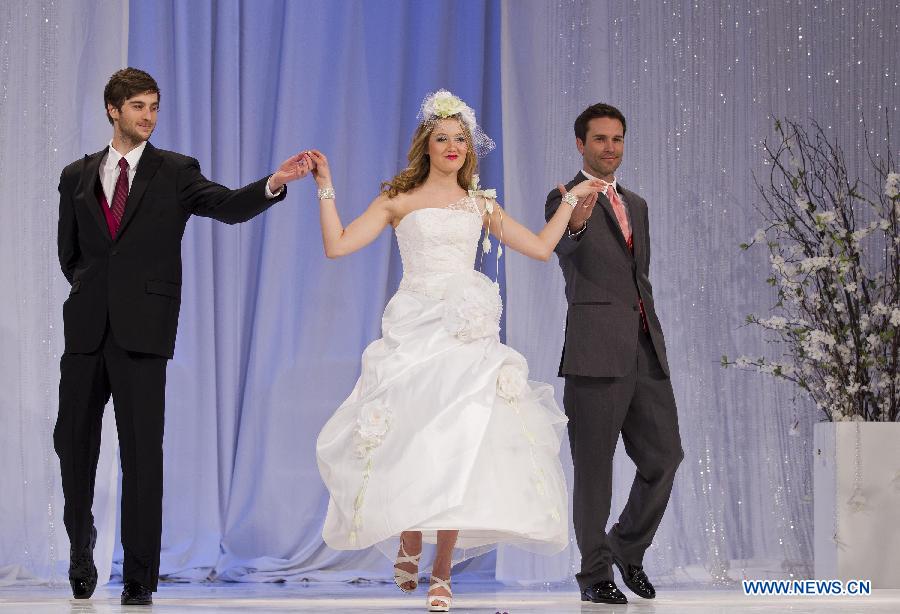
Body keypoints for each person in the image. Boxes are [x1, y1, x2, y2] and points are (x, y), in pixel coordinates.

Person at [312, 90, 603, 612]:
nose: (453, 146)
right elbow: (337, 246)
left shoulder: (481, 203)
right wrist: (325, 186)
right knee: (411, 434)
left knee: (461, 439)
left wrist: (568, 206)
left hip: (465, 333)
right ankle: (408, 533)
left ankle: (441, 571)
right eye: (443, 138)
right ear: (427, 145)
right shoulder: (396, 201)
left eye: (461, 138)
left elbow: (538, 248)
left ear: (470, 148)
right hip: (414, 325)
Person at [54, 67, 311, 606]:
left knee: (143, 459)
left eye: (155, 106)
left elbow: (225, 206)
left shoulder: (173, 171)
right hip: (84, 334)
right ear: (113, 110)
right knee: (73, 449)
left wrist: (273, 184)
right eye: (139, 107)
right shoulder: (76, 175)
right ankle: (81, 547)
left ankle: (139, 580)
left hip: (143, 335)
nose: (149, 116)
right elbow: (70, 254)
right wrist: (91, 293)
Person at [544, 103, 684, 605]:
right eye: (600, 139)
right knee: (594, 469)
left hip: (645, 349)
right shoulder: (561, 198)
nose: (610, 148)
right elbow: (563, 247)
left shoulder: (638, 204)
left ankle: (626, 547)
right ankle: (593, 573)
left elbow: (636, 279)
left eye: (617, 139)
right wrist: (576, 223)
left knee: (666, 458)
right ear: (580, 144)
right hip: (594, 352)